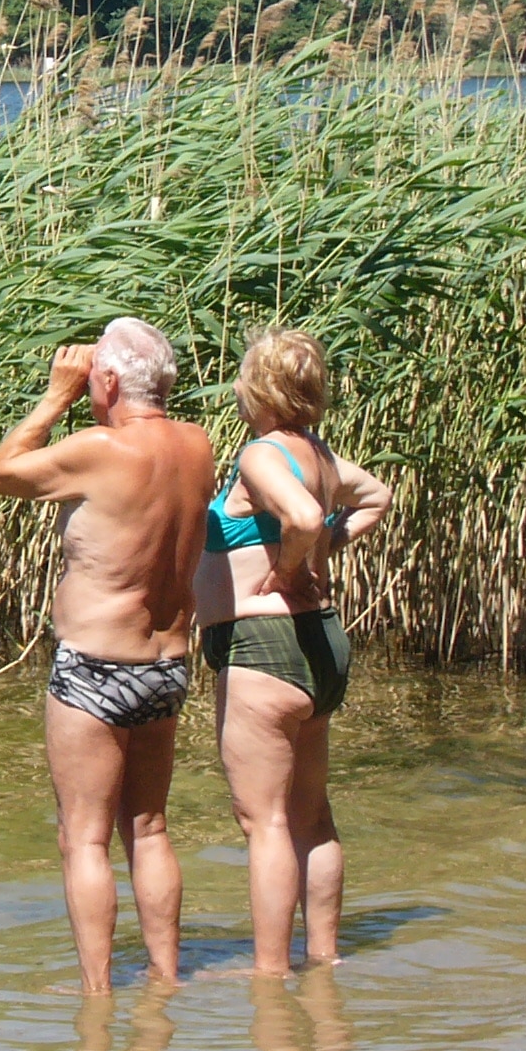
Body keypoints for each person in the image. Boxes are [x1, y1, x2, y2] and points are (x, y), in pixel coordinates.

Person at [0, 319, 216, 991]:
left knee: (83, 840)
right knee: (149, 829)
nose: (85, 386)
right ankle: (166, 977)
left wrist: (54, 399)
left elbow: (0, 473)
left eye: (90, 379)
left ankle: (96, 995)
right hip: (167, 666)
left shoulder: (98, 449)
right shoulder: (197, 447)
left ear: (109, 381)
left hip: (95, 668)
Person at [194, 329, 392, 977]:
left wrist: (288, 565)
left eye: (243, 380)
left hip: (265, 643)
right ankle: (325, 959)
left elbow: (303, 516)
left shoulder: (261, 455)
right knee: (313, 815)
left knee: (265, 822)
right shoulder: (324, 455)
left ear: (262, 391)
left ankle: (271, 976)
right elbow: (377, 497)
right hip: (320, 643)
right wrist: (326, 547)